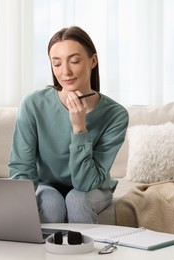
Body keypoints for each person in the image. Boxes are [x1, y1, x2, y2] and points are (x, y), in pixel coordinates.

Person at [8, 26, 129, 224]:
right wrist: (19, 208)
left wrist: (79, 128)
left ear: (93, 61)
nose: (65, 72)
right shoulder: (32, 104)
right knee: (50, 201)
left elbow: (86, 182)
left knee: (76, 199)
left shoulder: (116, 115)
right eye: (56, 64)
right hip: (47, 186)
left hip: (92, 189)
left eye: (74, 61)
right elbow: (22, 167)